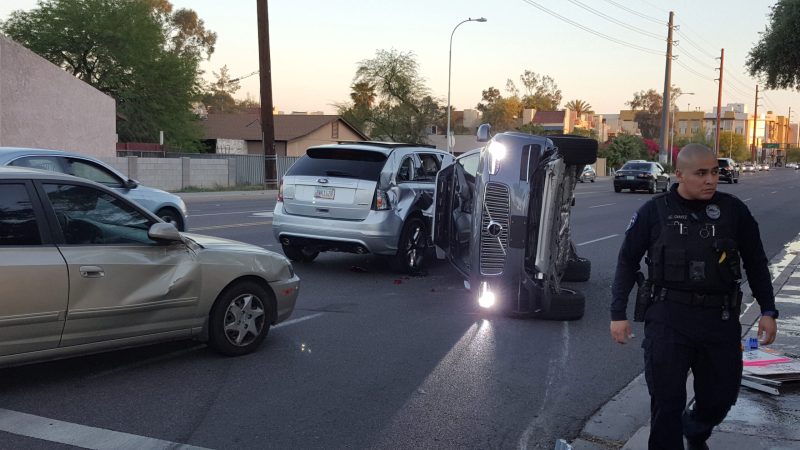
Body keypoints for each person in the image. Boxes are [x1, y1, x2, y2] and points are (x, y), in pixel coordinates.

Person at [609, 144, 779, 450]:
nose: (710, 179)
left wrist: (767, 308)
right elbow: (627, 261)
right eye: (701, 173)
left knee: (720, 397)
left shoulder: (733, 211)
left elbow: (755, 260)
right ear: (679, 175)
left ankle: (696, 428)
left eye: (714, 172)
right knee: (666, 402)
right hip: (668, 318)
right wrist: (617, 313)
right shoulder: (654, 212)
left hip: (719, 319)